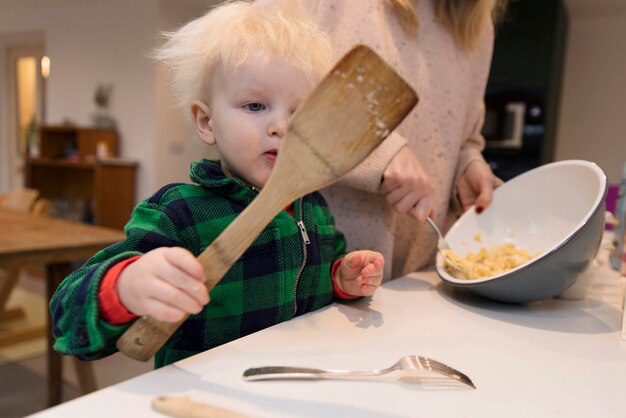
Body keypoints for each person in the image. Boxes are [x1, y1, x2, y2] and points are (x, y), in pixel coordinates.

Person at [50, 0, 384, 368]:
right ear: (207, 122)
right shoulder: (179, 213)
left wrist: (341, 277)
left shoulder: (313, 205)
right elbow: (67, 316)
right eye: (255, 106)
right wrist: (126, 287)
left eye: (298, 111)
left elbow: (319, 273)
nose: (282, 127)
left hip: (295, 380)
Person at [305, 0, 506, 280]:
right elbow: (273, 112)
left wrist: (467, 163)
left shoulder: (476, 24)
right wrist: (381, 152)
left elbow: (465, 135)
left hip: (418, 274)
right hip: (321, 273)